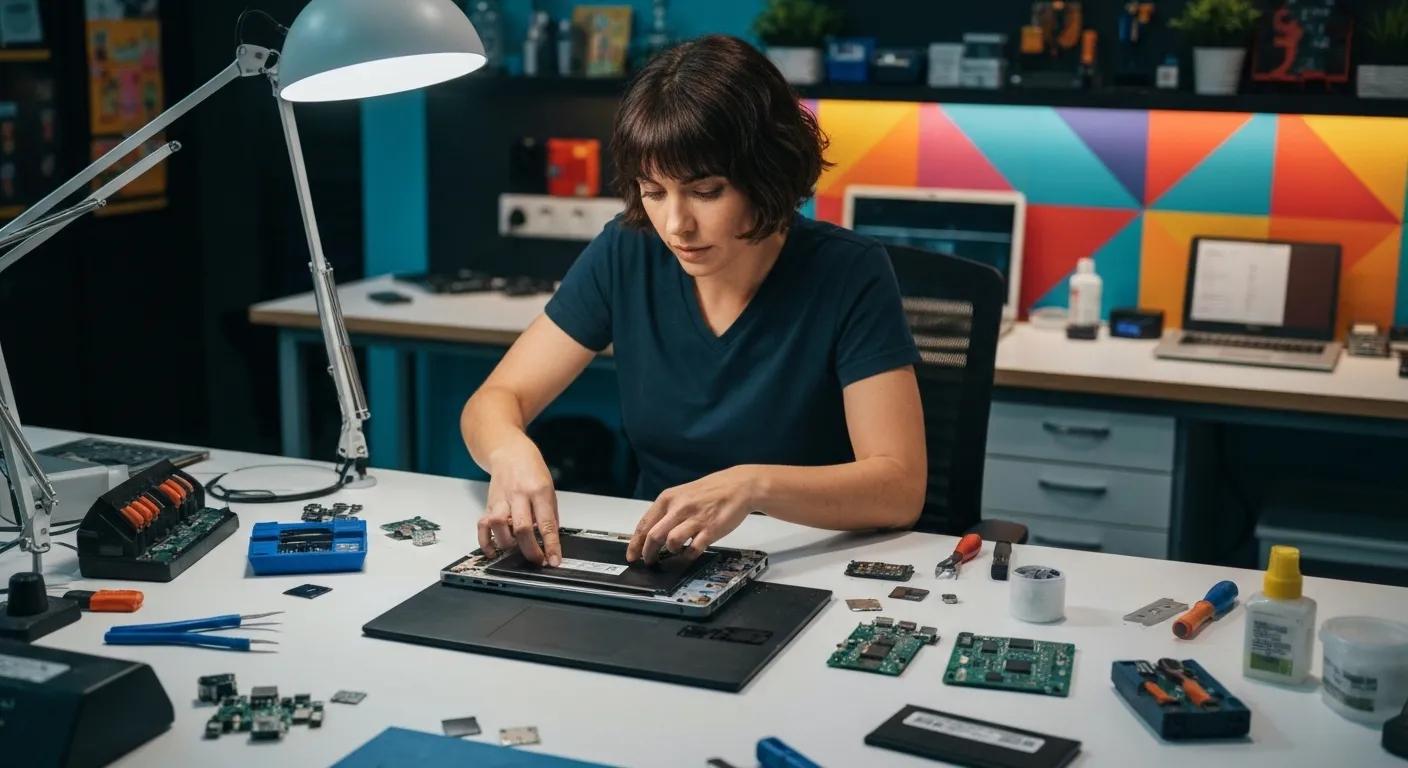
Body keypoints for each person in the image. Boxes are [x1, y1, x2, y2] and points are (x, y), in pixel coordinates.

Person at [461, 34, 926, 568]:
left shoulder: (849, 272)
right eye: (653, 192)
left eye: (706, 192)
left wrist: (752, 486)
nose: (676, 225)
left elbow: (900, 488)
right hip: (660, 559)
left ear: (766, 176)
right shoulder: (627, 250)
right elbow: (494, 400)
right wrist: (509, 452)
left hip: (806, 557)